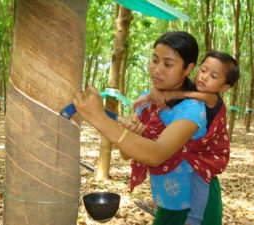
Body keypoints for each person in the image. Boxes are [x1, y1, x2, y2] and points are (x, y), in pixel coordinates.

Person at [73, 31, 225, 225]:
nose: (157, 70)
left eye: (168, 64)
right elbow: (128, 154)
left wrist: (99, 118)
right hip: (167, 204)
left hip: (197, 207)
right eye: (154, 60)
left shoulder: (192, 109)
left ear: (188, 68)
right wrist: (134, 133)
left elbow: (156, 154)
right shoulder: (149, 100)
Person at [132, 51, 240, 225]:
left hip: (204, 160)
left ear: (224, 87)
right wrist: (151, 93)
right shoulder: (187, 90)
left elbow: (184, 95)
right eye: (203, 70)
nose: (204, 77)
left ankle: (194, 218)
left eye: (213, 76)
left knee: (200, 179)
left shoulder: (210, 98)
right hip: (172, 190)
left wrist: (167, 94)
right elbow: (163, 91)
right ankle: (158, 203)